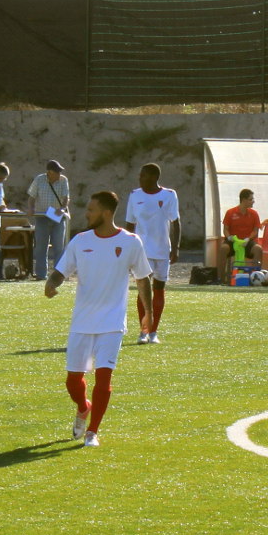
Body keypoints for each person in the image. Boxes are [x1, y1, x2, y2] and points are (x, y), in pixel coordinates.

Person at [45, 191, 153, 448]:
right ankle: (84, 407)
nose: (87, 214)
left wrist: (148, 313)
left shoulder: (131, 242)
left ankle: (92, 432)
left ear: (106, 213)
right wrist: (51, 283)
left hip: (112, 323)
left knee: (104, 378)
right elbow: (62, 270)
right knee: (73, 382)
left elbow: (143, 279)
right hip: (82, 321)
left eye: (91, 210)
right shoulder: (80, 241)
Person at [124, 163, 180, 345]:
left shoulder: (169, 195)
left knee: (159, 289)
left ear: (154, 177)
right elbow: (130, 224)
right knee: (143, 290)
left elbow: (176, 222)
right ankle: (144, 331)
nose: (140, 178)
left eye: (144, 175)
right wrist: (128, 248)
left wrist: (176, 248)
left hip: (162, 250)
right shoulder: (134, 195)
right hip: (142, 251)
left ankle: (154, 332)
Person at [26, 160, 71, 281]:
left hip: (58, 218)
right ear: (49, 172)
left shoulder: (63, 180)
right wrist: (31, 208)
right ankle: (41, 275)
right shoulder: (39, 179)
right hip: (42, 217)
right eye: (57, 172)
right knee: (41, 247)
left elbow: (66, 198)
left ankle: (59, 275)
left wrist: (62, 208)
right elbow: (31, 197)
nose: (59, 174)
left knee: (59, 247)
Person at [219, 188, 263, 283]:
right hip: (233, 242)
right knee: (223, 248)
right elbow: (225, 229)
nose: (253, 201)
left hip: (247, 242)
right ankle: (221, 279)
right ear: (243, 200)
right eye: (251, 199)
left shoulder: (254, 214)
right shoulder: (230, 212)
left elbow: (255, 231)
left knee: (258, 249)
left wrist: (248, 239)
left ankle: (254, 278)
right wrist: (229, 237)